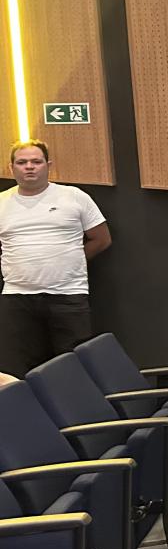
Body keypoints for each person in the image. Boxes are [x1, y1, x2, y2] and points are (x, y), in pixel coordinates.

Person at [0, 140, 111, 377]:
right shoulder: (1, 202)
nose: (29, 167)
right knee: (17, 371)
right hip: (17, 299)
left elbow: (101, 239)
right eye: (22, 162)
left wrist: (71, 262)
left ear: (48, 165)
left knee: (75, 367)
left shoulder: (74, 197)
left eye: (36, 161)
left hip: (68, 296)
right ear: (11, 168)